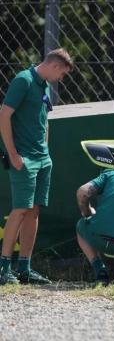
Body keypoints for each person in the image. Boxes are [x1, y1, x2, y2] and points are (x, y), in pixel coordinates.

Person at [0, 48, 74, 285]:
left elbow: (45, 120)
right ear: (54, 66)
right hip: (24, 159)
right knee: (20, 209)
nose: (61, 79)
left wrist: (47, 151)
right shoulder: (24, 80)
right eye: (62, 74)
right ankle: (3, 269)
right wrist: (13, 154)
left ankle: (24, 268)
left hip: (42, 159)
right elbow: (4, 115)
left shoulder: (43, 86)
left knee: (34, 211)